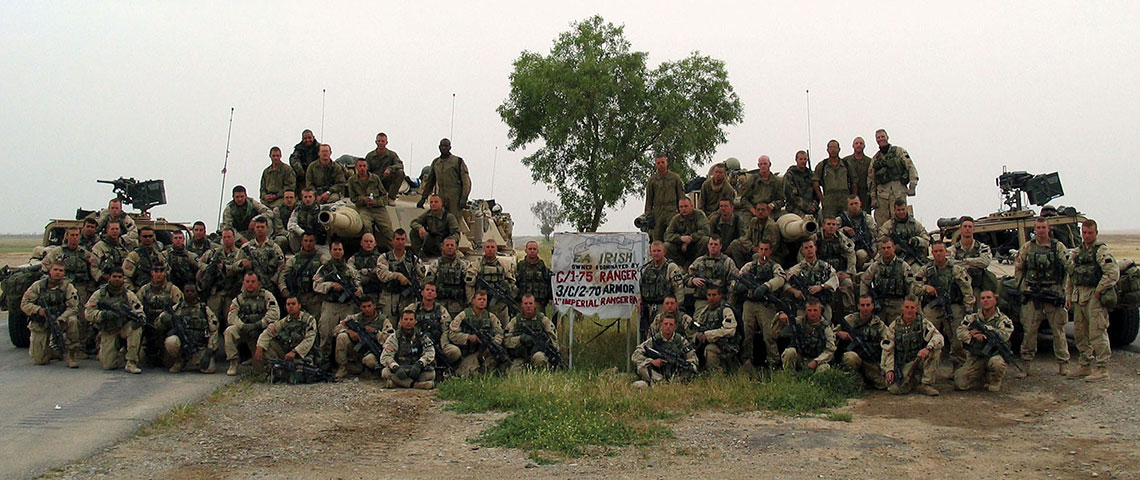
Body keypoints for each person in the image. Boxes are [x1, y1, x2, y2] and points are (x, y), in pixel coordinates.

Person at [1014, 217, 1071, 376]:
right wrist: (1023, 287)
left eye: (1043, 227)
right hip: (1033, 294)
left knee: (1058, 330)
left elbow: (1068, 268)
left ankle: (1063, 363)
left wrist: (1064, 290)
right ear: (1035, 229)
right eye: (1038, 228)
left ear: (1048, 229)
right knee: (1030, 331)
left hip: (1053, 292)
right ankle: (1026, 364)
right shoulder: (1028, 247)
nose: (1040, 231)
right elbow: (1019, 268)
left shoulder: (1058, 247)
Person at [1064, 219, 1118, 381]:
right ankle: (1085, 365)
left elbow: (1112, 274)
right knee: (1080, 333)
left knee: (1097, 332)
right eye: (1084, 232)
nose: (1086, 236)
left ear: (1096, 233)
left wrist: (1099, 291)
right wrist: (1068, 296)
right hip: (1079, 295)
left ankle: (1102, 367)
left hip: (1094, 296)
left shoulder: (1101, 251)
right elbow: (1071, 276)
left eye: (1090, 233)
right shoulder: (1077, 252)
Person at [916, 242, 975, 371]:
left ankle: (958, 369)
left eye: (941, 251)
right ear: (932, 253)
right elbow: (914, 286)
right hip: (934, 306)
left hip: (953, 306)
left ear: (946, 252)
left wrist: (969, 309)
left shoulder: (955, 269)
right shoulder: (927, 269)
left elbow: (967, 289)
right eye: (936, 251)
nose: (938, 254)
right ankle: (925, 370)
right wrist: (926, 288)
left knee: (957, 339)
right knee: (926, 336)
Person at [41, 228, 99, 349]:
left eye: (77, 235)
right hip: (61, 287)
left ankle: (79, 346)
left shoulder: (84, 253)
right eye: (72, 235)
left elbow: (95, 266)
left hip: (81, 288)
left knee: (81, 317)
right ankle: (54, 344)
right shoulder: (57, 252)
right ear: (66, 236)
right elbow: (45, 267)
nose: (74, 238)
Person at [734, 240, 786, 369]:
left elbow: (780, 279)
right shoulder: (750, 266)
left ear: (770, 251)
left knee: (769, 335)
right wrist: (740, 286)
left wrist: (766, 286)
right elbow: (737, 279)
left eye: (766, 249)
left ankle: (773, 362)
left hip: (765, 304)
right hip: (749, 303)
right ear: (758, 250)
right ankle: (747, 362)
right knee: (747, 334)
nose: (763, 252)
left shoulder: (775, 266)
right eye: (761, 249)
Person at [84, 266, 145, 372]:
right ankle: (117, 352)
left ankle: (131, 362)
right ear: (109, 278)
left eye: (120, 277)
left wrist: (139, 318)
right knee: (108, 365)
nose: (117, 279)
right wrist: (104, 315)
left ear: (123, 279)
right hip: (109, 330)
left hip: (123, 328)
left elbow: (139, 311)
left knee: (135, 327)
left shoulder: (128, 295)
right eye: (114, 276)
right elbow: (88, 313)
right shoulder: (99, 294)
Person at [21, 262, 80, 367]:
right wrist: (38, 310)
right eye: (55, 270)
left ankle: (71, 355)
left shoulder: (68, 287)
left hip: (60, 320)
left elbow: (73, 307)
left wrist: (61, 318)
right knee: (40, 360)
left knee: (73, 320)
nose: (58, 273)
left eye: (61, 271)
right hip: (41, 321)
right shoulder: (38, 286)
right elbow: (24, 304)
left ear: (64, 273)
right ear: (50, 271)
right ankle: (52, 352)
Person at [953, 290, 1014, 392]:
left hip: (994, 355)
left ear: (995, 301)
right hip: (977, 356)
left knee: (997, 363)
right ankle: (981, 377)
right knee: (960, 383)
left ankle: (995, 380)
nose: (986, 300)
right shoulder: (972, 318)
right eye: (983, 298)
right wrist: (972, 336)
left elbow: (1005, 335)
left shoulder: (1004, 320)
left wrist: (987, 331)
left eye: (989, 298)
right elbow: (960, 332)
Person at [882, 296, 943, 396]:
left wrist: (928, 348)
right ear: (902, 307)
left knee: (935, 349)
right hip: (904, 363)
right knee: (895, 389)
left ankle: (926, 384)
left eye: (912, 308)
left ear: (917, 309)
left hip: (919, 359)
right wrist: (889, 369)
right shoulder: (894, 326)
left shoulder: (923, 323)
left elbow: (938, 336)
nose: (909, 310)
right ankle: (914, 380)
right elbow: (888, 350)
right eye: (907, 307)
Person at [224, 272, 280, 376]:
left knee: (259, 371)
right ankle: (233, 362)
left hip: (260, 332)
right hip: (245, 330)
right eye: (247, 281)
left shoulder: (267, 296)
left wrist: (259, 324)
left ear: (258, 283)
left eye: (253, 282)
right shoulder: (239, 299)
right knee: (229, 331)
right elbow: (231, 316)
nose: (250, 284)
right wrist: (242, 326)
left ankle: (256, 359)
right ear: (243, 283)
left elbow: (274, 314)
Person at [313, 242, 363, 355]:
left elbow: (358, 283)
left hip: (347, 306)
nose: (337, 252)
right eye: (335, 249)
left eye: (339, 249)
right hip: (330, 306)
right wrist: (331, 285)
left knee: (346, 336)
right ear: (330, 251)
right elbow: (316, 285)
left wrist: (359, 291)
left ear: (343, 251)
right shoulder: (324, 268)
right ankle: (324, 361)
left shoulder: (350, 269)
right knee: (325, 334)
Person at [835, 295, 888, 389]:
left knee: (883, 384)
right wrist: (839, 333)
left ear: (872, 306)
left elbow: (888, 338)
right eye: (863, 305)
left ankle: (866, 379)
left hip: (869, 360)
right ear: (858, 306)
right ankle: (854, 379)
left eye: (868, 305)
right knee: (850, 357)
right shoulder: (850, 320)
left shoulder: (878, 324)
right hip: (856, 358)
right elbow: (831, 332)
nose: (865, 308)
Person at [860, 238, 917, 325]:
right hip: (880, 304)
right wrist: (865, 301)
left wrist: (909, 305)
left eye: (888, 247)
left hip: (897, 304)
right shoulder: (875, 266)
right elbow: (864, 282)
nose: (886, 250)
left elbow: (910, 285)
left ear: (894, 248)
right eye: (883, 248)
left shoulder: (903, 265)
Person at [163, 283, 218, 374]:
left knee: (209, 369)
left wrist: (209, 351)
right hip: (182, 345)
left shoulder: (204, 309)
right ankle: (180, 360)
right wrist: (164, 319)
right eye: (187, 291)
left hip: (199, 347)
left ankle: (196, 361)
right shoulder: (177, 308)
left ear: (197, 293)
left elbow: (214, 330)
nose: (190, 293)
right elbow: (161, 319)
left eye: (192, 291)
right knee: (171, 341)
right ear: (183, 293)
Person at [136, 263, 183, 367]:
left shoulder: (173, 289)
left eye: (161, 271)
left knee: (168, 363)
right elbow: (136, 307)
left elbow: (180, 308)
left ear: (165, 273)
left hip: (165, 329)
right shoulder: (144, 290)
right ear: (151, 273)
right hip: (148, 326)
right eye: (156, 271)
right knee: (141, 359)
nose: (158, 274)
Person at [868, 129, 919, 226]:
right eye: (878, 137)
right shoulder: (875, 159)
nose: (880, 139)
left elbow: (910, 167)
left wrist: (912, 186)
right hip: (882, 196)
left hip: (898, 192)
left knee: (901, 220)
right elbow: (871, 180)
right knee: (882, 225)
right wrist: (873, 197)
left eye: (882, 136)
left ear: (887, 137)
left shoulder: (899, 152)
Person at [631, 315, 698, 387]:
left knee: (691, 368)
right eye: (666, 324)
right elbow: (635, 355)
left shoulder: (680, 340)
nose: (668, 327)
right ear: (661, 325)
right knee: (641, 366)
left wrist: (685, 365)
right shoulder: (654, 340)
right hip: (657, 372)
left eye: (671, 324)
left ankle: (676, 383)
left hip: (676, 373)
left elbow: (693, 358)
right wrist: (651, 361)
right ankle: (661, 382)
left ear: (675, 327)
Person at [333, 296, 391, 379]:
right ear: (360, 307)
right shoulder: (354, 318)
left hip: (373, 351)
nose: (367, 309)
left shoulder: (383, 320)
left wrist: (376, 332)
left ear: (374, 306)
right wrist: (349, 332)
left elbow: (389, 338)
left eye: (369, 306)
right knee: (342, 336)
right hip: (357, 350)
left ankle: (370, 371)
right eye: (364, 307)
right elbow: (336, 329)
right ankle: (342, 368)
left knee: (370, 361)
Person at [407, 283, 462, 372]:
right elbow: (404, 325)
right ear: (422, 292)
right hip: (416, 342)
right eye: (427, 290)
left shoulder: (441, 310)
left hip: (437, 343)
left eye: (432, 291)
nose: (429, 292)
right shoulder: (413, 308)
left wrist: (442, 345)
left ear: (435, 294)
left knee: (455, 352)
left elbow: (446, 330)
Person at [449, 291, 504, 376]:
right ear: (473, 301)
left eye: (484, 299)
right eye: (479, 299)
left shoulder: (491, 317)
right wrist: (468, 337)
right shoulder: (464, 315)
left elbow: (500, 333)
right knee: (468, 373)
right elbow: (452, 334)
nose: (482, 301)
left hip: (486, 352)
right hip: (469, 352)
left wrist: (494, 343)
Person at [639, 241, 685, 339]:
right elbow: (641, 287)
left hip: (664, 307)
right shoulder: (646, 268)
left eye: (659, 251)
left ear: (664, 252)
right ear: (650, 252)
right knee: (648, 333)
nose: (656, 253)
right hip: (648, 307)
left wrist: (674, 308)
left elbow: (679, 290)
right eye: (654, 251)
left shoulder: (671, 267)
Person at [784, 239, 839, 321]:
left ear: (815, 248)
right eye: (806, 248)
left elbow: (835, 280)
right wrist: (795, 291)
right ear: (802, 251)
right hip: (804, 306)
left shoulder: (825, 266)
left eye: (811, 247)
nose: (809, 250)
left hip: (822, 303)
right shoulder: (797, 269)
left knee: (827, 319)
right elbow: (785, 283)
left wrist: (820, 287)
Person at [380, 310, 436, 389]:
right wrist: (395, 367)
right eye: (406, 319)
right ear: (401, 321)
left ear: (415, 321)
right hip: (401, 368)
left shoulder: (421, 336)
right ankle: (416, 385)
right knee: (385, 372)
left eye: (411, 319)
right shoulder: (394, 337)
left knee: (431, 374)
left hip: (416, 368)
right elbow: (386, 356)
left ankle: (397, 384)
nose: (408, 322)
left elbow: (430, 352)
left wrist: (420, 363)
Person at [777, 299, 836, 373]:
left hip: (818, 360)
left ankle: (813, 383)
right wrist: (781, 315)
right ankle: (789, 377)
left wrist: (816, 361)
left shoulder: (826, 327)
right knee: (789, 352)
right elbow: (777, 330)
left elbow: (830, 350)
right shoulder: (799, 322)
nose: (812, 313)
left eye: (815, 310)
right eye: (809, 310)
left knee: (825, 368)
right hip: (801, 358)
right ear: (805, 311)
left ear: (820, 310)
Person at [253, 296, 317, 364]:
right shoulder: (285, 321)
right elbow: (268, 332)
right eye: (288, 304)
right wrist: (260, 347)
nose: (290, 306)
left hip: (305, 354)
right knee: (267, 344)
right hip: (288, 352)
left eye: (293, 304)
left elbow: (309, 339)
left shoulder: (309, 320)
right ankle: (277, 367)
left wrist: (295, 351)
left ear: (299, 306)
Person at [347, 157, 395, 249]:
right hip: (363, 208)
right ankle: (369, 251)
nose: (362, 168)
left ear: (367, 167)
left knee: (388, 230)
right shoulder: (352, 180)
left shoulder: (375, 178)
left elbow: (384, 196)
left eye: (364, 166)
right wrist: (363, 200)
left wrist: (375, 202)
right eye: (360, 166)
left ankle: (395, 252)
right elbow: (353, 198)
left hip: (378, 208)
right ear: (356, 167)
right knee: (366, 228)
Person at [417, 138, 471, 217]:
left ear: (450, 147)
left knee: (454, 220)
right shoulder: (436, 162)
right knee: (440, 219)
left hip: (455, 196)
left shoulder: (457, 161)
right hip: (441, 195)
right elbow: (430, 182)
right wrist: (423, 198)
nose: (444, 148)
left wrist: (464, 197)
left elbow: (466, 181)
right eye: (442, 146)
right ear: (439, 147)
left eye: (446, 146)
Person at [689, 286, 738, 373]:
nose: (711, 298)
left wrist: (708, 335)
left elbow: (730, 331)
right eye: (709, 295)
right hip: (709, 342)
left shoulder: (726, 310)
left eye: (714, 295)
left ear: (720, 296)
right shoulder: (705, 310)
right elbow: (698, 326)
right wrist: (698, 335)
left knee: (710, 350)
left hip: (725, 344)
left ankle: (716, 374)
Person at [813, 217, 857, 313]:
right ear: (823, 226)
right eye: (828, 224)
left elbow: (851, 252)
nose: (831, 227)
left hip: (839, 271)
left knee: (847, 283)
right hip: (821, 273)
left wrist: (849, 272)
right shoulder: (815, 238)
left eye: (834, 224)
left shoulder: (840, 237)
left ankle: (849, 311)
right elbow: (806, 254)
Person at [503, 294, 558, 370]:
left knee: (539, 358)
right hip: (520, 356)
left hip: (537, 354)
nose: (528, 306)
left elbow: (553, 338)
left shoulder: (543, 320)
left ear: (535, 305)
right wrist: (520, 339)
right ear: (521, 305)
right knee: (514, 373)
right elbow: (506, 341)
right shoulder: (515, 321)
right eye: (526, 304)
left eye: (530, 303)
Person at [278, 233, 328, 316]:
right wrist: (284, 289)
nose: (308, 243)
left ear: (315, 242)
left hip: (315, 299)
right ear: (302, 242)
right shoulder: (294, 259)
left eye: (311, 241)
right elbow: (283, 275)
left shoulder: (321, 258)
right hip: (298, 297)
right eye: (306, 241)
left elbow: (328, 271)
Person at [200, 229, 242, 324]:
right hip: (216, 292)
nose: (226, 239)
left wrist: (225, 268)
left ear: (234, 238)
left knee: (230, 322)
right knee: (212, 321)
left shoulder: (240, 253)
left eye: (229, 237)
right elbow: (200, 262)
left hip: (231, 293)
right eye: (224, 237)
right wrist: (209, 268)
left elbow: (240, 267)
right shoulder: (214, 252)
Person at [686, 236, 738, 313]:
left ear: (720, 246)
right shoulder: (699, 261)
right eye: (711, 244)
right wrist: (692, 280)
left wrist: (729, 304)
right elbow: (685, 278)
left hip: (721, 301)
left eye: (715, 244)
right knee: (698, 322)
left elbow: (734, 283)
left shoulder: (728, 262)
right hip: (702, 300)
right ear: (707, 246)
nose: (713, 246)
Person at [234, 217, 285, 296]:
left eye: (262, 227)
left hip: (269, 285)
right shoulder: (246, 247)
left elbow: (281, 266)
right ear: (254, 228)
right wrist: (242, 263)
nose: (260, 229)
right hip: (249, 287)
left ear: (267, 228)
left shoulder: (274, 247)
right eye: (257, 227)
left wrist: (273, 280)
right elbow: (234, 265)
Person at [948, 216, 995, 302]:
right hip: (959, 288)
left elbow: (985, 262)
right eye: (965, 226)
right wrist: (971, 265)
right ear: (960, 229)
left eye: (970, 227)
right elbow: (949, 263)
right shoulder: (953, 249)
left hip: (978, 287)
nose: (967, 229)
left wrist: (966, 261)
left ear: (973, 229)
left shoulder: (983, 247)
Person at [376, 229, 420, 319]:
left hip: (407, 298)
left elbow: (422, 275)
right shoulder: (385, 257)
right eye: (398, 239)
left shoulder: (412, 258)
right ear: (393, 240)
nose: (400, 242)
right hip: (389, 297)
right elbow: (382, 275)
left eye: (403, 239)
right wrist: (397, 276)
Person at [642, 154, 686, 242]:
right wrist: (649, 215)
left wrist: (682, 211)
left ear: (667, 163)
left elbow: (681, 196)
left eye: (663, 162)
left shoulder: (675, 178)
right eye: (658, 163)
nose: (661, 165)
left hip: (672, 210)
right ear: (655, 165)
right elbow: (649, 200)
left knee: (673, 235)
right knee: (657, 237)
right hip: (658, 212)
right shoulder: (652, 180)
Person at [473, 239, 517, 325]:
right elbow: (469, 284)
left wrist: (507, 293)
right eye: (488, 247)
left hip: (500, 305)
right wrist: (472, 301)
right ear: (484, 249)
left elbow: (511, 281)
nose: (490, 249)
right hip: (482, 303)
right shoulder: (477, 264)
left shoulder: (503, 264)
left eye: (492, 247)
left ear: (496, 249)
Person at [726, 201, 782, 267]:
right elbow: (745, 238)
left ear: (768, 211)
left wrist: (758, 250)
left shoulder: (771, 226)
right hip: (754, 250)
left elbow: (772, 247)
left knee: (758, 256)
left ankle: (758, 273)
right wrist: (751, 248)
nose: (760, 212)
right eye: (758, 210)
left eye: (763, 210)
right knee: (735, 244)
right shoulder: (754, 221)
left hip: (769, 256)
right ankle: (741, 269)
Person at [813, 140, 857, 220]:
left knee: (847, 221)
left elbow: (854, 182)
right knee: (829, 222)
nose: (833, 150)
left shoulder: (846, 164)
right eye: (831, 147)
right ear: (827, 150)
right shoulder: (822, 165)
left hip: (845, 198)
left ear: (839, 149)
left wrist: (853, 198)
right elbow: (815, 182)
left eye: (835, 147)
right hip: (830, 199)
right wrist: (822, 199)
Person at [878, 199, 930, 266]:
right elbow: (880, 241)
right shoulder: (888, 225)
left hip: (912, 258)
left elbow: (926, 240)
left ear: (906, 209)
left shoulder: (915, 224)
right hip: (892, 258)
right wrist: (892, 247)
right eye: (898, 210)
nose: (901, 212)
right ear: (894, 210)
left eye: (903, 209)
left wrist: (917, 240)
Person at [431, 237, 474, 317]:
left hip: (458, 304)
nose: (450, 247)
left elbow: (468, 284)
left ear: (456, 247)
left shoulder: (462, 265)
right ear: (442, 247)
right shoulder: (436, 264)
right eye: (447, 245)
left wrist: (470, 302)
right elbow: (429, 282)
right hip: (439, 304)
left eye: (452, 245)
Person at [736, 155, 786, 222]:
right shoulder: (752, 180)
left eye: (765, 164)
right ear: (758, 165)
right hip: (753, 210)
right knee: (746, 226)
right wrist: (753, 210)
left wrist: (773, 205)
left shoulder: (777, 181)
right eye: (761, 164)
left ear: (769, 164)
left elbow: (781, 200)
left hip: (769, 211)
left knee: (771, 227)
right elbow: (744, 199)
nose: (763, 166)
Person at [664, 197, 710, 268]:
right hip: (680, 248)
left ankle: (696, 265)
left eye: (686, 206)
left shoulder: (699, 215)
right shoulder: (675, 219)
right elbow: (667, 235)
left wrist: (691, 238)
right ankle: (681, 266)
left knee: (706, 240)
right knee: (666, 246)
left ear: (692, 206)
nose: (683, 209)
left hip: (695, 245)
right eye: (681, 207)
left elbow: (706, 230)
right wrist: (680, 238)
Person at [121, 226, 167, 291]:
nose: (148, 238)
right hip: (140, 292)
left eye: (150, 236)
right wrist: (133, 291)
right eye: (145, 236)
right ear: (140, 237)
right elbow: (125, 277)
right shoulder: (134, 255)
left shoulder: (159, 256)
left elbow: (165, 275)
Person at [364, 132, 405, 202]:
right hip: (374, 183)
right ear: (376, 142)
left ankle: (391, 198)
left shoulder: (392, 155)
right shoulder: (370, 156)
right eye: (379, 141)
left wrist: (390, 169)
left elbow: (400, 165)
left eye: (383, 141)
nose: (381, 143)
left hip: (386, 182)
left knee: (400, 173)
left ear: (386, 142)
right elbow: (366, 170)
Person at [839, 195, 877, 270]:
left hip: (863, 248)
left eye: (856, 203)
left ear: (860, 204)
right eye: (851, 204)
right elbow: (831, 231)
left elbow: (875, 235)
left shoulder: (867, 218)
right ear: (847, 206)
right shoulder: (842, 218)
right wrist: (843, 229)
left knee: (861, 254)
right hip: (846, 249)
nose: (854, 206)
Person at [515, 241, 553, 313]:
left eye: (534, 249)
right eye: (530, 249)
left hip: (539, 303)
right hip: (523, 303)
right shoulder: (520, 266)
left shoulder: (542, 266)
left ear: (537, 251)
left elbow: (549, 282)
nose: (532, 251)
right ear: (526, 251)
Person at [286, 188, 327, 253]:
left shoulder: (320, 209)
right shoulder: (297, 210)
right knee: (292, 232)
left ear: (314, 197)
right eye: (305, 197)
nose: (308, 199)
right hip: (302, 239)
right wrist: (303, 233)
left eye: (310, 197)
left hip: (318, 240)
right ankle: (297, 253)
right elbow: (291, 225)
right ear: (302, 198)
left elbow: (339, 204)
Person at [841, 137, 873, 214]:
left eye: (861, 143)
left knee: (865, 215)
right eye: (856, 143)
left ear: (864, 146)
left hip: (864, 193)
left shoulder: (870, 161)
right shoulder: (845, 160)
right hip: (848, 191)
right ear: (853, 145)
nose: (859, 145)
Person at [348, 233, 383, 299]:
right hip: (360, 294)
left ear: (375, 243)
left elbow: (382, 271)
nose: (368, 243)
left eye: (371, 241)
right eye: (366, 241)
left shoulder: (381, 258)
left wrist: (366, 271)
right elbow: (350, 271)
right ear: (361, 243)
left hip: (377, 294)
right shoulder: (354, 258)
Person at [784, 150, 818, 218]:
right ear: (796, 160)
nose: (803, 161)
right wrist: (806, 207)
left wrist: (814, 206)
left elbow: (816, 193)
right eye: (801, 159)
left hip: (811, 208)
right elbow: (791, 196)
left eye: (805, 159)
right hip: (795, 208)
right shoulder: (790, 175)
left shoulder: (811, 175)